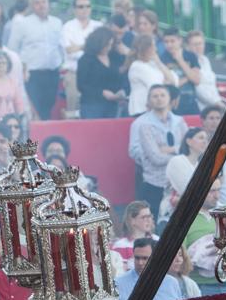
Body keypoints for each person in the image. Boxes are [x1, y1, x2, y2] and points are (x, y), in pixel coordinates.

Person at [6, 0, 64, 120]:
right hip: (31, 74)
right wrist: (21, 69)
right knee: (35, 109)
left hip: (52, 72)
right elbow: (12, 49)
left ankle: (44, 134)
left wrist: (61, 63)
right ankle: (37, 136)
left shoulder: (57, 23)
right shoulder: (23, 24)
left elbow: (61, 46)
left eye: (44, 2)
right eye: (37, 3)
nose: (41, 5)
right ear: (31, 6)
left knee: (49, 105)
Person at [130, 85, 188, 214]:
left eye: (162, 95)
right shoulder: (141, 123)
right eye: (155, 96)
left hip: (179, 181)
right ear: (149, 100)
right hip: (154, 180)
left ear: (169, 99)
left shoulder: (179, 121)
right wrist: (151, 155)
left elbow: (188, 149)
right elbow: (136, 151)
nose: (159, 99)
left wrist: (168, 149)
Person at [113, 238, 183, 300]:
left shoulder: (172, 283)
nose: (140, 263)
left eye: (145, 258)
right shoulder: (118, 283)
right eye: (137, 258)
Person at [77, 27, 127, 119]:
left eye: (111, 45)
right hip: (91, 105)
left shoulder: (114, 57)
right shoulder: (85, 60)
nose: (108, 48)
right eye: (106, 45)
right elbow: (81, 85)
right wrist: (101, 92)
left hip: (112, 104)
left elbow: (122, 75)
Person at [126, 34, 173, 116]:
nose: (156, 49)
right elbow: (156, 86)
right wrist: (165, 81)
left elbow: (173, 81)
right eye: (153, 46)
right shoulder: (137, 66)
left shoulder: (153, 63)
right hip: (142, 110)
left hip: (156, 110)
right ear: (146, 48)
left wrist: (159, 62)